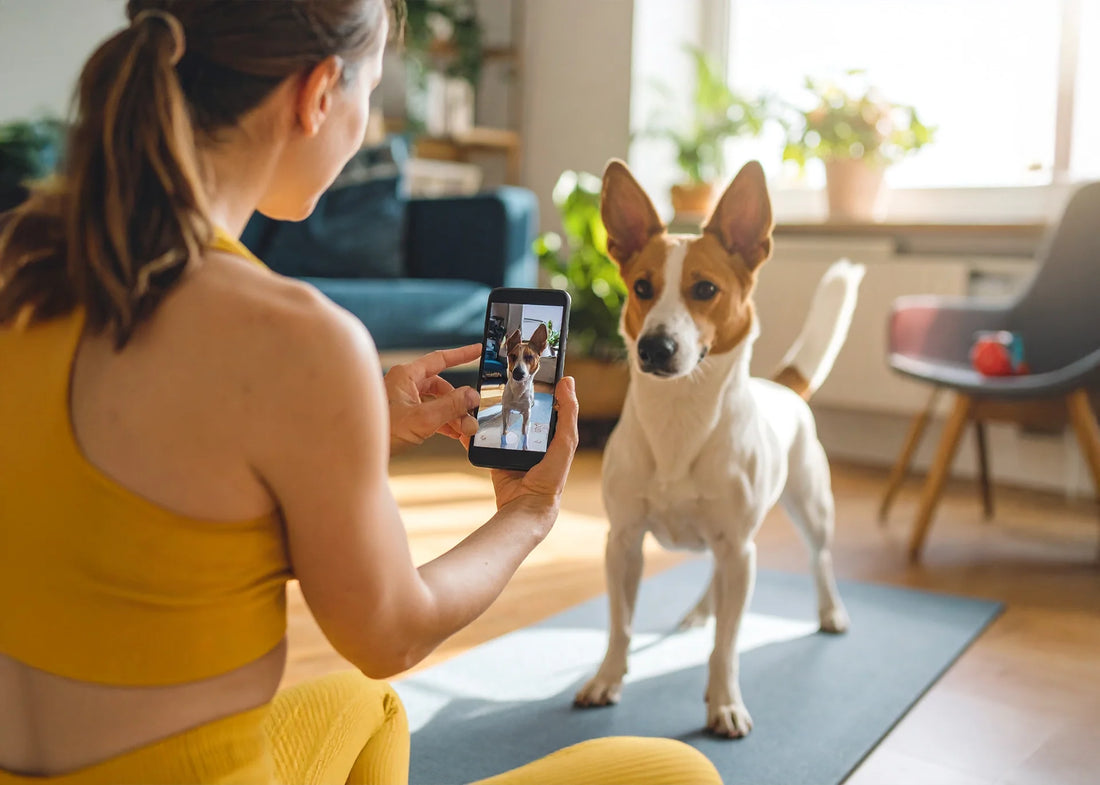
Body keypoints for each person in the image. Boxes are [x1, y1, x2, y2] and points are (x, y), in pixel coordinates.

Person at [0, 1, 722, 784]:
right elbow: (394, 635)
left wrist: (350, 429)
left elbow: (132, 493)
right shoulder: (298, 339)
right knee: (676, 772)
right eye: (369, 90)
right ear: (317, 95)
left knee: (362, 703)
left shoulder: (24, 262)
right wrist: (528, 512)